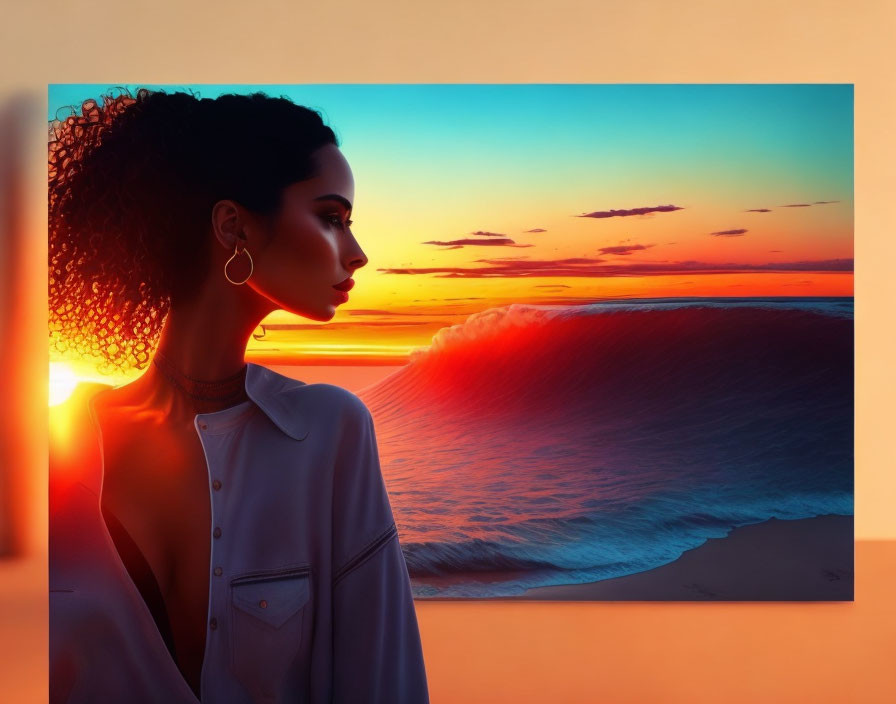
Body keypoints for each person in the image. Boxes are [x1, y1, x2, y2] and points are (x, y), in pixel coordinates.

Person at [48, 87, 430, 703]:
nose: (356, 254)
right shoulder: (46, 452)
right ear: (234, 226)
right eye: (331, 217)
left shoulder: (329, 433)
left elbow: (384, 685)